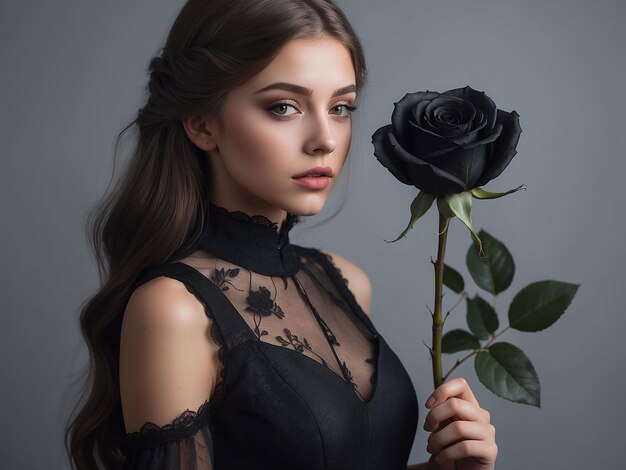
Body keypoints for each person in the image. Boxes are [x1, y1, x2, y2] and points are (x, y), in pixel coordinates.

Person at [64, 1, 497, 469]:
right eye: (284, 106)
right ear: (201, 122)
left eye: (340, 107)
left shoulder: (345, 282)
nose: (325, 139)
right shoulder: (175, 310)